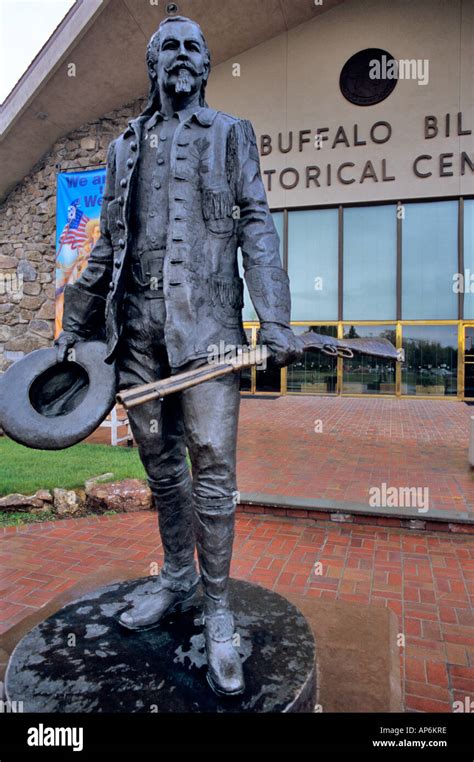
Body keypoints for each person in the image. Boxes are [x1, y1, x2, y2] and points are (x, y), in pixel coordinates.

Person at [55, 15, 300, 697]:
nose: (182, 58)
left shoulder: (230, 134)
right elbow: (106, 243)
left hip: (211, 331)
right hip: (136, 332)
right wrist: (75, 325)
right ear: (153, 65)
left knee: (213, 464)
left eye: (194, 48)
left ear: (207, 64)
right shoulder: (122, 147)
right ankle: (175, 575)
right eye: (170, 49)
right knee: (162, 466)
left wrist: (274, 317)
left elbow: (258, 224)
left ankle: (218, 606)